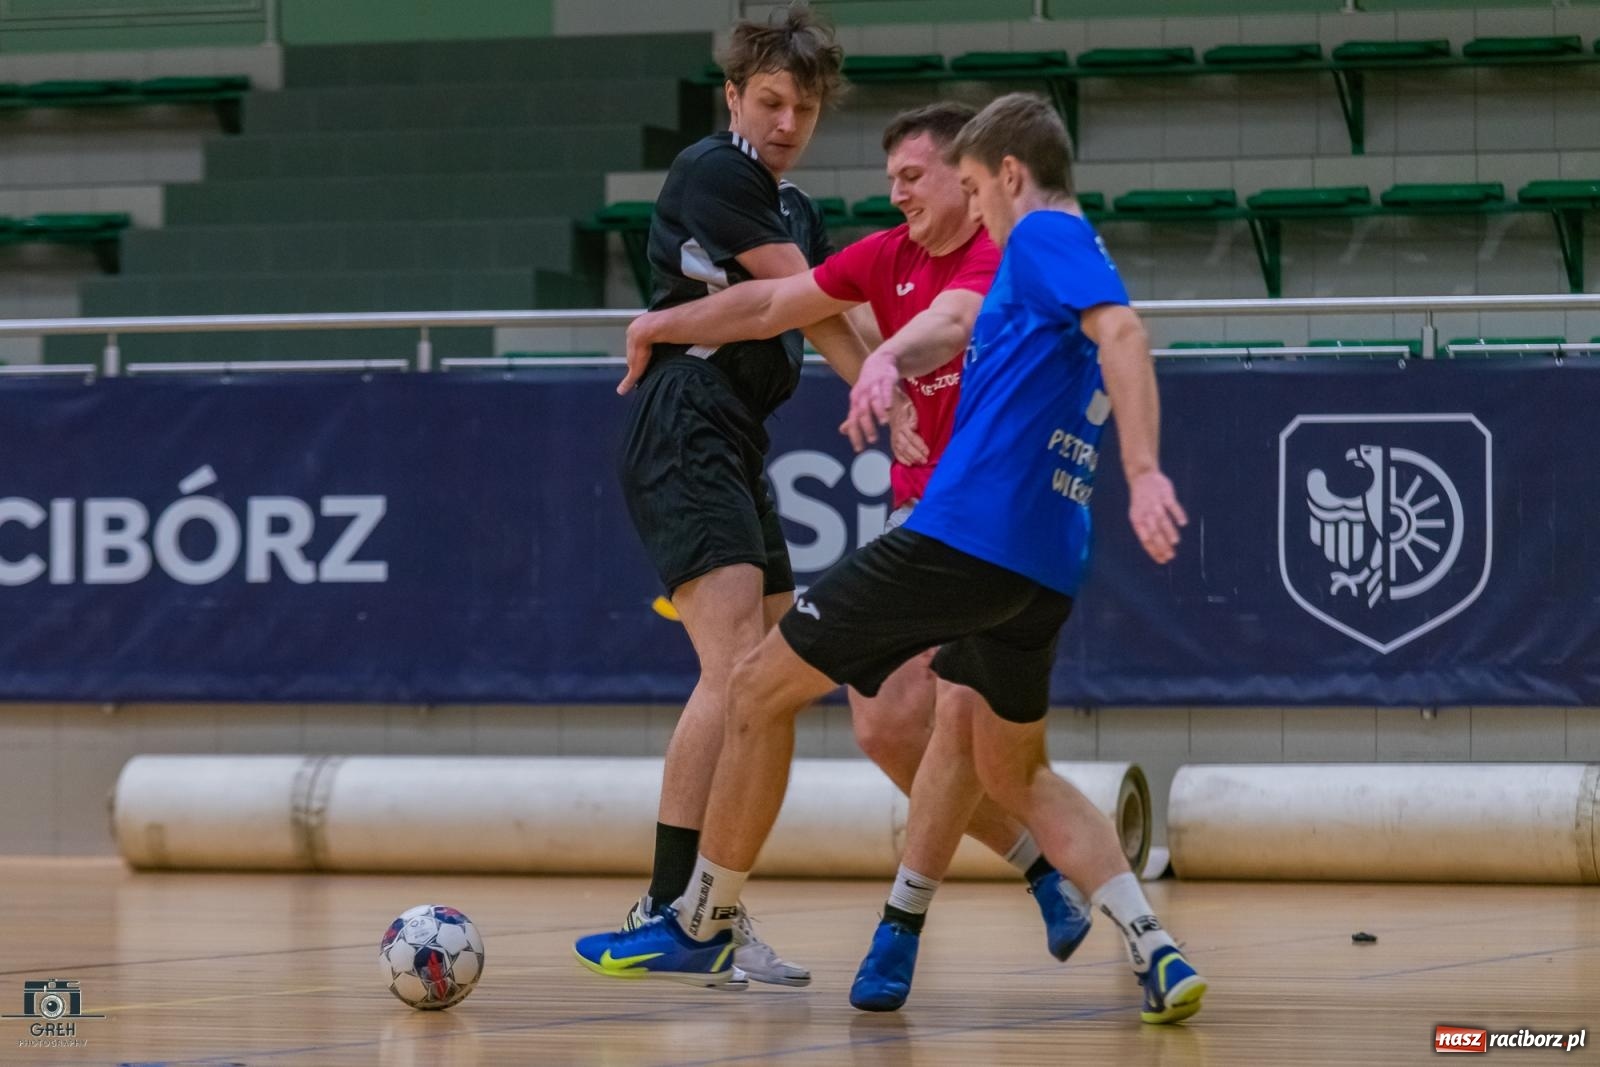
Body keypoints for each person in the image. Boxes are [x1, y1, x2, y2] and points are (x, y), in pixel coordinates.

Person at [575, 92, 1207, 1026]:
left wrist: (1145, 469)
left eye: (939, 179)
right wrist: (662, 323)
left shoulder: (1035, 238)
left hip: (960, 536)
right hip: (1042, 562)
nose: (917, 194)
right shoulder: (978, 254)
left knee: (753, 685)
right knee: (1013, 769)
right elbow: (778, 301)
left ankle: (703, 918)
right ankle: (1153, 943)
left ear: (1000, 177)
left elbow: (1044, 325)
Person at [594, 4, 863, 988]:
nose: (787, 122)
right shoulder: (716, 171)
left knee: (779, 680)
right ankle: (670, 911)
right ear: (734, 98)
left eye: (804, 106)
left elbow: (813, 294)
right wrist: (886, 385)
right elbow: (809, 298)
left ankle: (711, 907)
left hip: (739, 440)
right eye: (769, 101)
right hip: (685, 425)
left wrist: (877, 382)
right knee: (738, 668)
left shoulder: (797, 210)